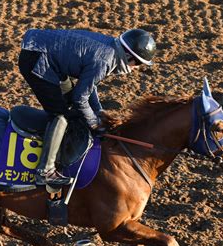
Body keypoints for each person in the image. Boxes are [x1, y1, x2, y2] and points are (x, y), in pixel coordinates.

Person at [18, 28, 156, 187]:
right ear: (129, 56)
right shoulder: (105, 60)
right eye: (138, 63)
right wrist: (94, 123)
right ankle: (45, 171)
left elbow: (89, 85)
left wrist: (98, 112)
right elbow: (80, 98)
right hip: (37, 60)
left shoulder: (111, 47)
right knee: (60, 115)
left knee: (72, 106)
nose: (136, 68)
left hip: (46, 54)